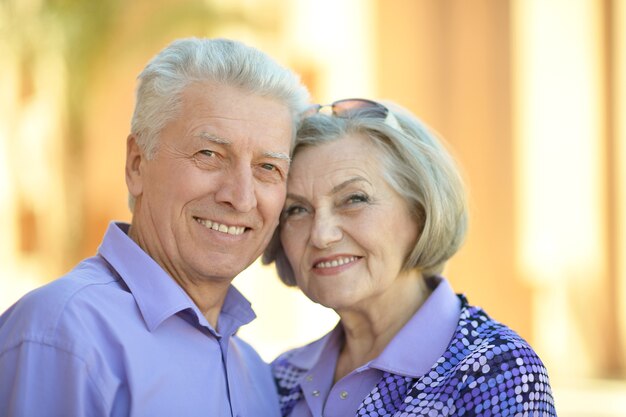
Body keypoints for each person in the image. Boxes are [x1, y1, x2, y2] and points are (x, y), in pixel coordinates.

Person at [0, 37, 310, 417]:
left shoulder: (255, 373)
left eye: (268, 168)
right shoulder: (64, 335)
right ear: (136, 164)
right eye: (209, 154)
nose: (241, 197)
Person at [263, 99, 556, 416]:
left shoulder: (495, 370)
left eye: (354, 199)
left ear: (420, 212)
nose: (321, 234)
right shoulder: (280, 378)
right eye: (297, 209)